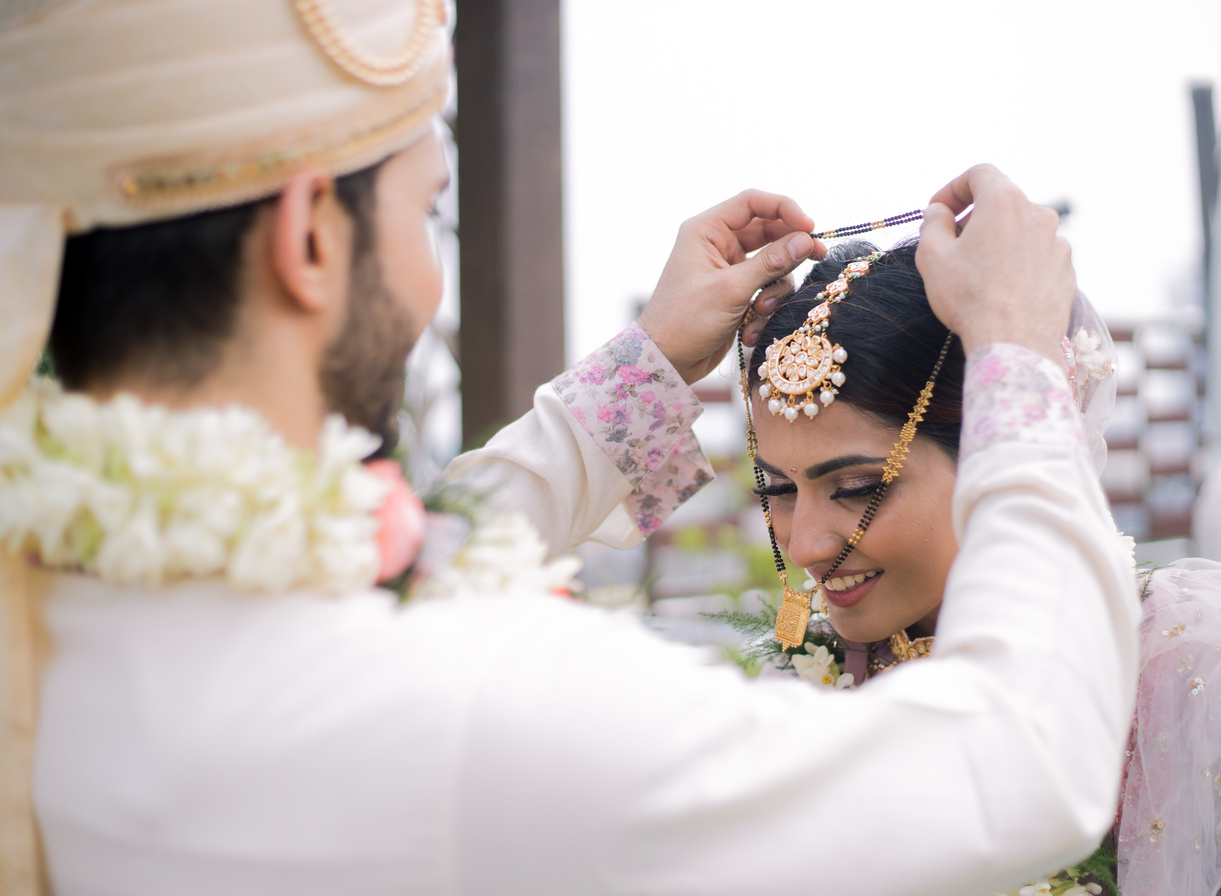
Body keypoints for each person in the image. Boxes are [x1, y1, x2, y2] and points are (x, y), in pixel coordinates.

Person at [0, 4, 1136, 896]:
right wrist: (1019, 356)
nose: (811, 533)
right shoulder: (476, 712)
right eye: (425, 206)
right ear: (308, 236)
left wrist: (641, 367)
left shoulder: (59, 599)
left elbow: (418, 546)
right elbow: (1021, 761)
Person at [742, 236, 1217, 894]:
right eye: (780, 491)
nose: (805, 547)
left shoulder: (1186, 668)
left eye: (854, 488)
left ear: (1001, 452)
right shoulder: (801, 688)